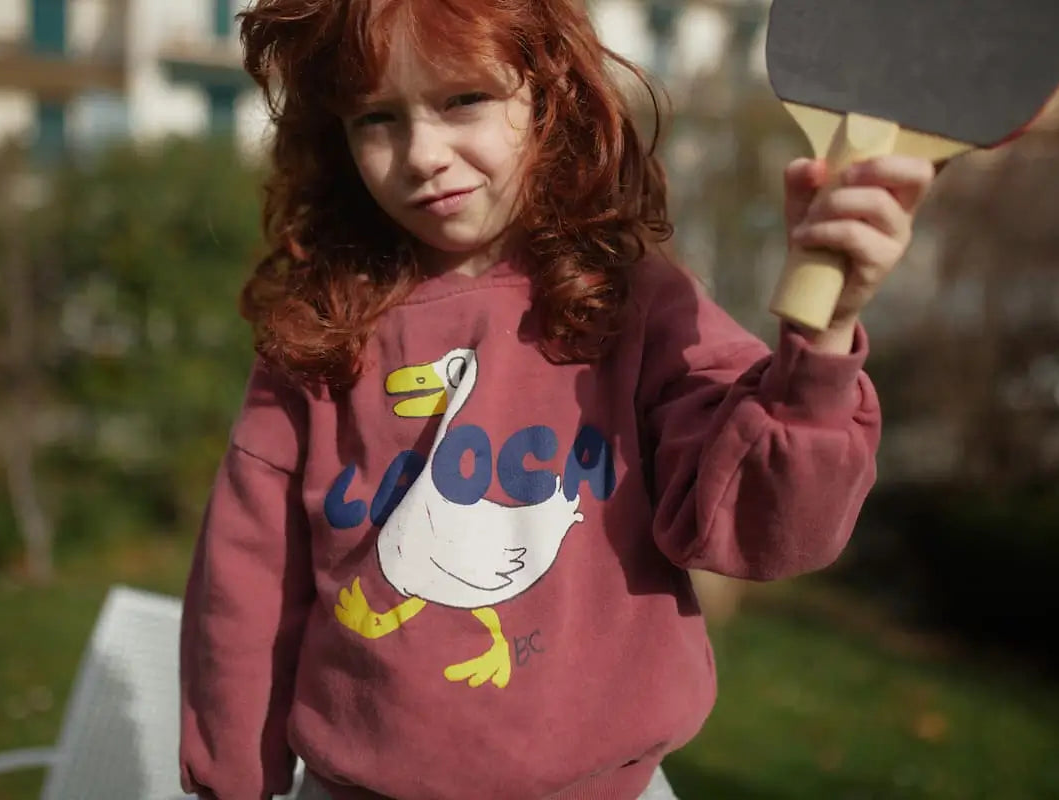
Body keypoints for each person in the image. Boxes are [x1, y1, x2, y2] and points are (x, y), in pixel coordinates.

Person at [178, 1, 935, 798]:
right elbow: (243, 595)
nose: (423, 154)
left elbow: (760, 531)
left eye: (463, 98)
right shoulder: (317, 334)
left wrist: (822, 345)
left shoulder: (642, 309)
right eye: (377, 117)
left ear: (547, 94)